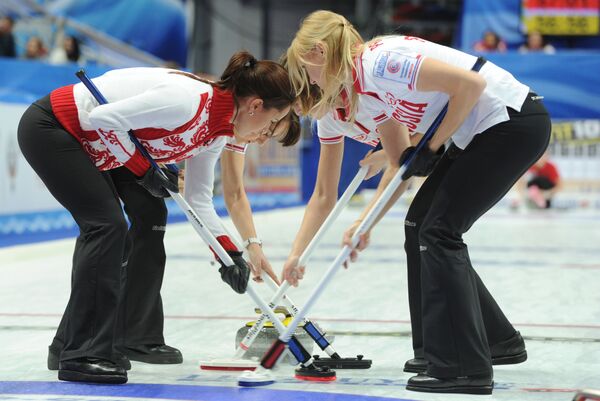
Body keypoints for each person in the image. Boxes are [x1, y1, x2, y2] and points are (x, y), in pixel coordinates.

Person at [284, 10, 551, 395]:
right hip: (479, 131)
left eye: (305, 69)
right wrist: (365, 225)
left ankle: (463, 367)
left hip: (509, 120)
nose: (307, 79)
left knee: (439, 231)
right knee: (418, 226)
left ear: (321, 52)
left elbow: (471, 84)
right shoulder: (365, 88)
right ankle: (487, 342)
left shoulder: (380, 61)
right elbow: (402, 165)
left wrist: (434, 144)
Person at [18, 51, 296, 385]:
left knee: (134, 220)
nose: (266, 132)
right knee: (107, 227)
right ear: (255, 105)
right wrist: (142, 170)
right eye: (270, 122)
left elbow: (198, 200)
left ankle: (70, 344)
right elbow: (101, 119)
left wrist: (228, 254)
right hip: (54, 127)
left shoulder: (217, 132)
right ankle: (83, 354)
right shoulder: (188, 102)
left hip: (94, 143)